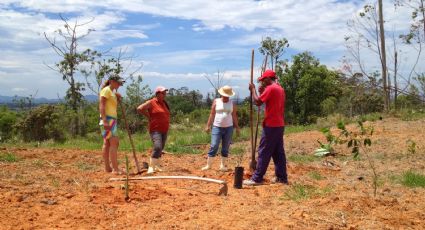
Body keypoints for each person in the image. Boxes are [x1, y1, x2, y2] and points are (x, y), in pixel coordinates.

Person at [243, 70, 288, 185]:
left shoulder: (271, 88)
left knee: (264, 151)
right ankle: (282, 178)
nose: (262, 82)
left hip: (271, 125)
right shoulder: (280, 88)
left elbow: (257, 102)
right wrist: (262, 92)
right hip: (279, 124)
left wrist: (252, 90)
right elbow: (271, 101)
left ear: (268, 79)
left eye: (263, 80)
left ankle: (257, 178)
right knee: (278, 152)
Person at [202, 85, 240, 171]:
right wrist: (208, 125)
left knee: (225, 146)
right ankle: (209, 165)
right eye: (224, 94)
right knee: (214, 145)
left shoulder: (232, 103)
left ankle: (223, 165)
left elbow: (234, 116)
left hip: (229, 127)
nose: (226, 96)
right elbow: (212, 114)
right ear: (221, 94)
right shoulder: (216, 101)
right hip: (217, 127)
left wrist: (237, 127)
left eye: (227, 95)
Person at [137, 86, 170, 174]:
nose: (164, 95)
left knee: (161, 148)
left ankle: (157, 166)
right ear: (157, 94)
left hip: (164, 129)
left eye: (165, 93)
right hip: (155, 129)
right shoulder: (152, 102)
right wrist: (148, 116)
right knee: (157, 146)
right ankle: (151, 167)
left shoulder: (164, 103)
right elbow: (140, 108)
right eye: (163, 93)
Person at [99, 74, 125, 175]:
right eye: (118, 82)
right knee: (114, 143)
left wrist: (117, 98)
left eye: (120, 83)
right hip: (108, 119)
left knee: (107, 143)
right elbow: (101, 105)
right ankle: (115, 169)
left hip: (111, 119)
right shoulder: (106, 90)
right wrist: (105, 120)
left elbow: (111, 106)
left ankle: (108, 168)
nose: (119, 84)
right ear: (111, 81)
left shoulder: (112, 92)